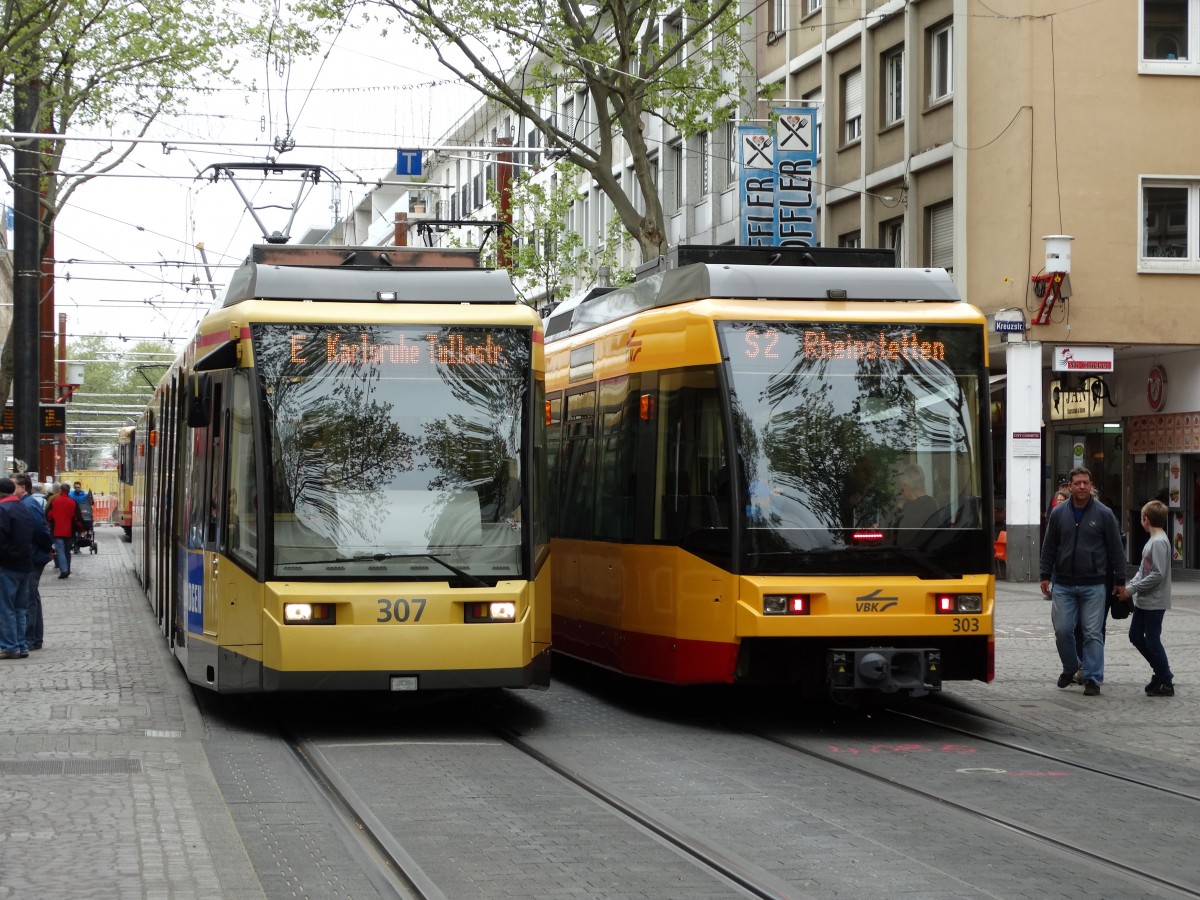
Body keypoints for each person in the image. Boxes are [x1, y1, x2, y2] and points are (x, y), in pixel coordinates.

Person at [1039, 466, 1126, 696]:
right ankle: (1071, 667)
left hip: (1094, 583)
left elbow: (1116, 549)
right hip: (1064, 584)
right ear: (1069, 486)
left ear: (1091, 485)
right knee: (1063, 630)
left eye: (1085, 483)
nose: (1081, 487)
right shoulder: (1058, 514)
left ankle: (1093, 678)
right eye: (1077, 483)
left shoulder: (1104, 514)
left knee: (1092, 632)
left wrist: (1120, 579)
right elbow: (1049, 546)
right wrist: (1044, 574)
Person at [1117, 499, 1174, 697]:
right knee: (1135, 636)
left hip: (1155, 601)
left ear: (1145, 520)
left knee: (1152, 640)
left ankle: (1165, 679)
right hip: (1144, 600)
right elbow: (1142, 570)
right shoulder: (1153, 540)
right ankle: (1161, 671)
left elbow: (1156, 574)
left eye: (1141, 518)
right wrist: (1130, 587)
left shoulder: (1158, 542)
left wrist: (1132, 589)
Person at [0, 477, 50, 659]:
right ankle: (22, 645)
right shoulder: (23, 506)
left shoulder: (3, 509)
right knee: (21, 608)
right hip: (25, 564)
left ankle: (9, 646)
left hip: (8, 566)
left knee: (6, 608)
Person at [14, 474, 52, 651]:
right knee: (32, 596)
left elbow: (40, 530)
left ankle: (30, 638)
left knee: (29, 597)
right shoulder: (27, 504)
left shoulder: (28, 505)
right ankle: (35, 638)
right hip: (35, 553)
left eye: (13, 485)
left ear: (23, 488)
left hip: (33, 555)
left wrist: (45, 548)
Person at [45, 482, 79, 579]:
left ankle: (64, 570)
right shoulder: (72, 502)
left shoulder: (55, 502)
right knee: (67, 551)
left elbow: (49, 515)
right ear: (69, 491)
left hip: (57, 530)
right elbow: (77, 517)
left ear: (61, 490)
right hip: (69, 531)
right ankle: (67, 568)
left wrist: (50, 522)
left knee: (60, 550)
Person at [895, 463, 938, 534]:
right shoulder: (931, 502)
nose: (900, 490)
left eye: (901, 485)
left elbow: (894, 532)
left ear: (906, 486)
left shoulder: (912, 509)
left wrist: (898, 507)